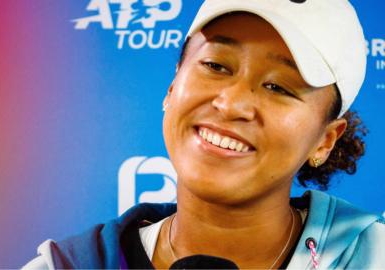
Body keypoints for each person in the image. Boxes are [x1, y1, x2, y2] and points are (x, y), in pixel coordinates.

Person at [24, 0, 385, 269]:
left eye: (277, 87)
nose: (230, 104)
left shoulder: (373, 256)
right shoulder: (67, 265)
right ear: (172, 85)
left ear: (325, 140)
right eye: (215, 65)